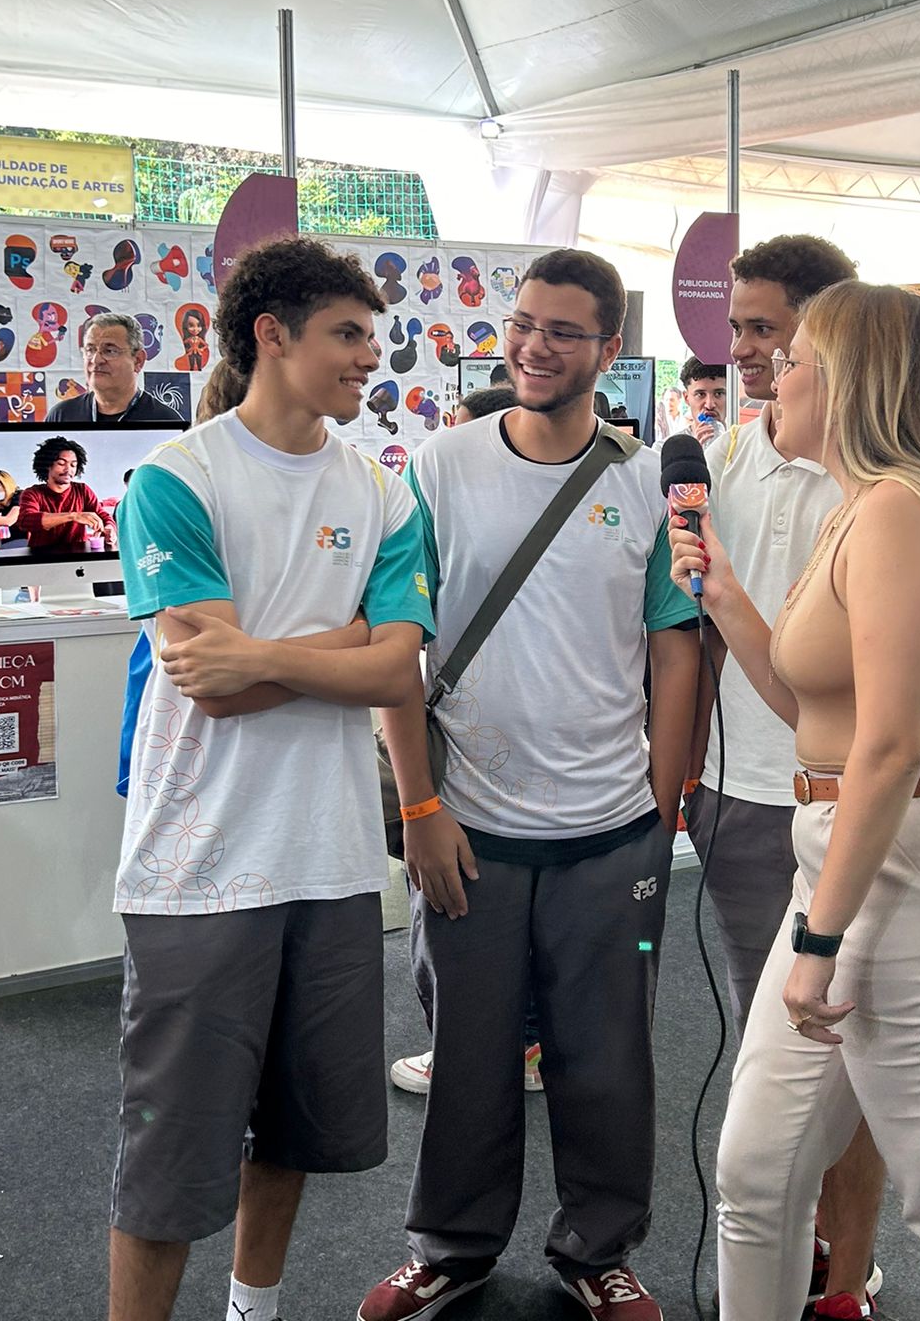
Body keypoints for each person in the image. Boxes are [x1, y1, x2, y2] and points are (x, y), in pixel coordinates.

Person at [671, 280, 920, 1321]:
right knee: (756, 1176)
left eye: (791, 358)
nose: (768, 376)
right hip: (847, 858)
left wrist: (820, 939)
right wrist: (724, 594)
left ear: (849, 379)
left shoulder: (899, 511)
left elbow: (889, 745)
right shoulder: (865, 509)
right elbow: (821, 719)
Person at [360, 248, 699, 1321]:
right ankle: (452, 1246)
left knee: (609, 1059)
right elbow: (396, 644)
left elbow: (676, 651)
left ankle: (599, 1249)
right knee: (468, 1052)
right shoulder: (441, 464)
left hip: (612, 828)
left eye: (562, 331)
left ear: (609, 348)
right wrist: (420, 806)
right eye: (523, 324)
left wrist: (661, 810)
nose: (535, 346)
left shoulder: (645, 481)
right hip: (471, 826)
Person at [107, 236, 435, 1321]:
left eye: (372, 337)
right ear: (272, 336)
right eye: (348, 335)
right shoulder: (177, 480)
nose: (369, 358)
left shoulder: (384, 494)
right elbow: (215, 688)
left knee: (293, 1132)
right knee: (169, 1163)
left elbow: (397, 671)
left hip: (331, 865)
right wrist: (348, 643)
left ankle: (256, 1310)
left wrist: (271, 653)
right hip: (197, 870)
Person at [680, 234, 885, 1318]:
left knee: (853, 1054)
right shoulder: (718, 461)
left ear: (824, 335)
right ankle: (793, 1244)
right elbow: (696, 636)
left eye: (768, 329)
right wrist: (683, 774)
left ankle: (848, 1275)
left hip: (851, 803)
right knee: (773, 1055)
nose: (745, 349)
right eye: (739, 327)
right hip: (737, 798)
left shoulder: (877, 480)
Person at [389, 374, 542, 1099]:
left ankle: (473, 1052)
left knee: (449, 910)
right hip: (521, 769)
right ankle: (525, 1047)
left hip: (473, 769)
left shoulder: (450, 505)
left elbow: (394, 652)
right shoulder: (455, 496)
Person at [45, 312, 182, 424]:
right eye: (90, 350)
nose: (96, 360)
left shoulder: (167, 422)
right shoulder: (61, 416)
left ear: (138, 360)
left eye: (110, 351)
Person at [16, 436, 114, 552]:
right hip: (42, 557)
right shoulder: (32, 493)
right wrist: (73, 516)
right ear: (47, 465)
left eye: (73, 465)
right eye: (61, 463)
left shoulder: (82, 490)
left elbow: (103, 515)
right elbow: (26, 521)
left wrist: (109, 528)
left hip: (77, 557)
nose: (68, 470)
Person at [680, 355, 728, 447]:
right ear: (686, 398)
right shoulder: (666, 449)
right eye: (700, 394)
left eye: (718, 394)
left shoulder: (744, 445)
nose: (709, 405)